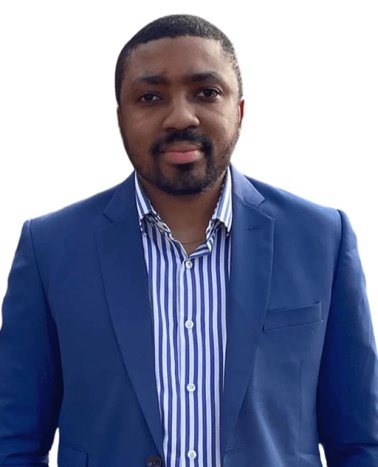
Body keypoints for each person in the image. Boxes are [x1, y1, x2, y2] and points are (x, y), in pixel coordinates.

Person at [0, 13, 377, 467]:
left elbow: (361, 444)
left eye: (206, 92)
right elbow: (13, 441)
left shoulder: (322, 240)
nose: (180, 116)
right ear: (121, 118)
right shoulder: (50, 249)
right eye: (151, 96)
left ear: (239, 110)